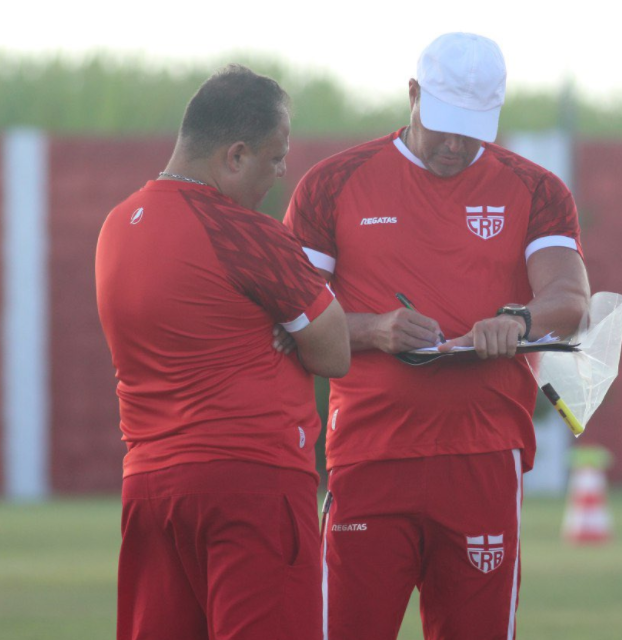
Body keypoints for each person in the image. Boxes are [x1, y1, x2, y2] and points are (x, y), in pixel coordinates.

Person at [284, 32, 590, 640]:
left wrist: (520, 321)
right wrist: (374, 329)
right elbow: (288, 315)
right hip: (370, 457)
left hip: (484, 457)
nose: (455, 144)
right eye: (444, 124)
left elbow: (571, 302)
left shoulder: (536, 189)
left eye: (473, 129)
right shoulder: (332, 183)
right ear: (413, 94)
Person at [95, 64, 350, 640]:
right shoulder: (243, 231)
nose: (283, 171)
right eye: (276, 156)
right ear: (235, 156)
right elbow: (333, 351)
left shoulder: (115, 226)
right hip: (249, 485)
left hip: (149, 488)